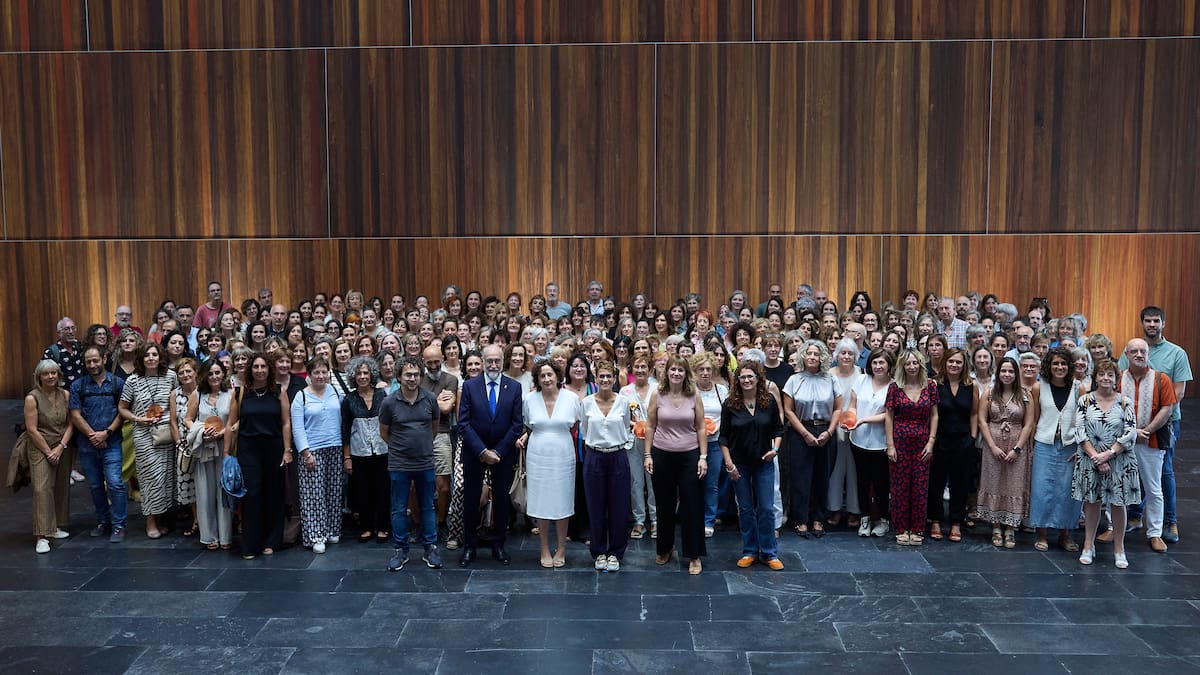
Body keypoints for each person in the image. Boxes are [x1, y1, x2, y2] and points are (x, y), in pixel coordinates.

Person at [1119, 307, 1191, 544]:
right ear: (1142, 323)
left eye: (1156, 320)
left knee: (1163, 473)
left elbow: (1177, 393)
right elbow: (1121, 382)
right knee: (1134, 472)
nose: (1152, 324)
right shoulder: (1131, 348)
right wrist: (1132, 427)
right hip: (1132, 427)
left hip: (1164, 423)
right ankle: (1136, 516)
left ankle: (1169, 521)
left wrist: (1150, 424)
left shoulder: (1176, 353)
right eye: (1148, 321)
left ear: (1163, 323)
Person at [457, 344, 525, 566]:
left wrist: (497, 451)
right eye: (489, 361)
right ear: (483, 361)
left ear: (502, 361)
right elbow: (464, 423)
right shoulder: (469, 386)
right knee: (471, 498)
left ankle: (499, 545)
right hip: (475, 452)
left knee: (502, 500)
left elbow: (516, 424)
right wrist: (482, 451)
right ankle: (469, 546)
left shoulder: (514, 387)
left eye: (497, 360)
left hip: (502, 453)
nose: (493, 365)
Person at [225, 353, 293, 559]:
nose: (260, 370)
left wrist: (287, 450)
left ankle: (271, 541)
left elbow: (285, 422)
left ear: (269, 369)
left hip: (274, 449)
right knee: (251, 496)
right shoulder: (240, 393)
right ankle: (250, 544)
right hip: (249, 450)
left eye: (263, 366)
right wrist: (226, 454)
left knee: (274, 495)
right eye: (256, 366)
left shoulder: (279, 392)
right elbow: (230, 424)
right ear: (250, 369)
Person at [1074, 359, 1139, 568]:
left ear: (1115, 379)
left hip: (1118, 461)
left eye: (1110, 374)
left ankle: (1119, 549)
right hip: (1089, 459)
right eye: (1101, 374)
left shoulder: (1125, 402)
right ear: (1095, 377)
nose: (1105, 378)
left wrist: (1108, 454)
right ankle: (1087, 545)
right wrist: (1096, 456)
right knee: (1092, 502)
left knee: (1118, 504)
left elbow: (1130, 433)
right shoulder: (1084, 400)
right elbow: (1079, 431)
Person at [379, 357, 443, 571]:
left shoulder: (430, 399)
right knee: (399, 508)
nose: (412, 378)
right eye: (408, 374)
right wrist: (402, 448)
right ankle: (400, 549)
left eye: (416, 374)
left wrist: (420, 445)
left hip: (425, 462)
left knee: (427, 506)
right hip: (399, 463)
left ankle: (430, 548)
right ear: (399, 377)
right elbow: (384, 432)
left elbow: (434, 427)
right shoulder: (389, 402)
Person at [646, 355, 708, 574]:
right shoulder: (657, 394)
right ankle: (665, 548)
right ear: (667, 372)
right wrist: (647, 455)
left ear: (686, 373)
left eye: (680, 370)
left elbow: (701, 427)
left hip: (690, 455)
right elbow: (650, 425)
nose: (676, 373)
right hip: (661, 455)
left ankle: (694, 555)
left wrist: (703, 456)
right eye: (672, 369)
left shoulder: (694, 395)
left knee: (692, 505)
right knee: (664, 504)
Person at [721, 361, 785, 569]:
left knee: (766, 508)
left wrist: (774, 450)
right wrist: (729, 465)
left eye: (751, 376)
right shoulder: (730, 404)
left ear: (758, 379)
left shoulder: (769, 402)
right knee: (746, 509)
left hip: (763, 463)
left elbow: (778, 430)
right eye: (743, 377)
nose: (747, 380)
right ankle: (750, 550)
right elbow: (723, 438)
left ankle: (769, 552)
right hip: (739, 464)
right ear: (737, 380)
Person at [517, 362, 582, 567]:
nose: (547, 379)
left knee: (562, 501)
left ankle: (561, 548)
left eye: (550, 375)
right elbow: (528, 424)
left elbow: (576, 425)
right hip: (538, 455)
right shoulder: (529, 399)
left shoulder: (571, 398)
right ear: (537, 379)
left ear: (558, 376)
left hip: (563, 453)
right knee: (542, 502)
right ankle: (544, 548)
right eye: (542, 376)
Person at [1120, 338, 1177, 553]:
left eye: (1142, 351)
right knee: (1117, 486)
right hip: (1123, 441)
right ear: (1126, 355)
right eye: (1134, 351)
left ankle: (1154, 533)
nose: (1139, 354)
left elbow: (1167, 408)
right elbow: (1111, 406)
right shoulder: (1118, 378)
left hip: (1150, 441)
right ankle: (1112, 526)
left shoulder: (1160, 379)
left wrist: (1148, 430)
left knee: (1154, 488)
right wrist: (1131, 432)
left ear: (1148, 354)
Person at [782, 340, 842, 538]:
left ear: (822, 357)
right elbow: (788, 411)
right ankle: (801, 519)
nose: (812, 357)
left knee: (822, 477)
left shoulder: (831, 379)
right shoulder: (794, 380)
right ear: (803, 356)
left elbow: (838, 409)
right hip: (801, 432)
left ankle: (818, 518)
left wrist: (830, 432)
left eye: (816, 354)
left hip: (826, 431)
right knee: (801, 478)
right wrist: (805, 434)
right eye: (809, 354)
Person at [118, 342, 178, 538]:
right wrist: (138, 419)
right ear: (141, 359)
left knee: (165, 479)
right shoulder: (132, 380)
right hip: (143, 434)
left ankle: (159, 519)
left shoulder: (171, 377)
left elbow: (178, 403)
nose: (151, 358)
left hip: (166, 434)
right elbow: (122, 408)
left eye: (154, 354)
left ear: (160, 357)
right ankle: (150, 521)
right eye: (147, 355)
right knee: (150, 478)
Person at [69, 346, 128, 543]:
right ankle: (103, 521)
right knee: (95, 486)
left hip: (111, 442)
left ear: (104, 359)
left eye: (95, 360)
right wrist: (93, 435)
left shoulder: (118, 383)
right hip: (87, 445)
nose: (92, 365)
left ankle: (119, 525)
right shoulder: (78, 386)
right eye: (88, 362)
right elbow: (75, 415)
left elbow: (123, 412)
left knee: (115, 484)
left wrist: (106, 433)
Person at [1029, 347, 1085, 552]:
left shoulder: (1079, 388)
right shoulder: (1038, 387)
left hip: (1070, 445)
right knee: (1042, 489)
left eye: (1063, 363)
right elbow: (1034, 419)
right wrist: (1031, 446)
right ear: (1048, 366)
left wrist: (1082, 448)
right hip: (1044, 443)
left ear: (1069, 366)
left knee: (1067, 491)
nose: (1059, 367)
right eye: (1055, 363)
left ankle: (1065, 534)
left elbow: (1083, 422)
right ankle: (1042, 533)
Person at [580, 360, 634, 572]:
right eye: (601, 376)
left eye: (608, 376)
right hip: (594, 456)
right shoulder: (586, 403)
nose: (604, 380)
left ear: (614, 379)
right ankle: (599, 551)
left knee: (619, 507)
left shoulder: (622, 401)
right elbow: (584, 428)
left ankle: (616, 552)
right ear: (595, 378)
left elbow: (626, 428)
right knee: (595, 506)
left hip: (617, 456)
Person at [977, 358, 1035, 549]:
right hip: (993, 443)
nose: (1007, 375)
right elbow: (982, 420)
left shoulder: (1025, 395)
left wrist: (1018, 448)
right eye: (1004, 371)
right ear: (998, 372)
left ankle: (1010, 527)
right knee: (993, 481)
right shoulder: (989, 393)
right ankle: (995, 525)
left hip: (1016, 443)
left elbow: (1029, 423)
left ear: (1016, 374)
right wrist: (992, 446)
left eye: (1011, 371)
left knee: (1014, 483)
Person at [885, 350, 939, 545]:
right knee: (899, 486)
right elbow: (889, 416)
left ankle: (917, 528)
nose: (912, 367)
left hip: (923, 441)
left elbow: (934, 415)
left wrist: (931, 441)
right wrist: (890, 445)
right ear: (902, 366)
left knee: (920, 487)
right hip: (900, 441)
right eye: (908, 364)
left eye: (915, 363)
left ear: (921, 364)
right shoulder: (895, 387)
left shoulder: (930, 386)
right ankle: (901, 528)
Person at [291, 358, 345, 554]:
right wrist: (306, 452)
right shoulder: (301, 396)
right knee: (313, 495)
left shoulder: (335, 392)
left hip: (335, 447)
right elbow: (297, 428)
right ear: (309, 375)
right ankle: (316, 535)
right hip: (312, 450)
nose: (321, 376)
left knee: (333, 492)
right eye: (317, 373)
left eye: (324, 372)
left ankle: (331, 530)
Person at [926, 348, 976, 543]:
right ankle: (936, 519)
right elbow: (932, 414)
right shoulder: (934, 384)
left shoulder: (971, 385)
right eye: (951, 361)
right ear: (945, 362)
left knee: (960, 482)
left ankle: (956, 521)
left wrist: (972, 437)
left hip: (963, 440)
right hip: (940, 439)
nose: (954, 365)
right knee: (936, 482)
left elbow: (973, 413)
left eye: (958, 362)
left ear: (964, 365)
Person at [24, 360, 75, 553]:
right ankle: (41, 536)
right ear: (39, 377)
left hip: (62, 444)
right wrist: (48, 451)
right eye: (46, 374)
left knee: (61, 485)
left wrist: (61, 447)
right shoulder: (32, 398)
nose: (51, 376)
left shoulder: (65, 395)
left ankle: (55, 527)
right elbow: (31, 429)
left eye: (54, 373)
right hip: (40, 446)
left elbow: (71, 423)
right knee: (42, 488)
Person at [185, 359, 234, 550]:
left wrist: (221, 434)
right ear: (205, 375)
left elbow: (233, 421)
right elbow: (188, 419)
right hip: (203, 447)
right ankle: (209, 536)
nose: (214, 377)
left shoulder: (230, 394)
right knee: (204, 493)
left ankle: (226, 536)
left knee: (223, 491)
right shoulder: (197, 394)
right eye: (210, 373)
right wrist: (201, 431)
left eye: (217, 372)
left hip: (223, 447)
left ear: (223, 374)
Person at [342, 355, 390, 543]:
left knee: (383, 490)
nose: (362, 376)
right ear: (353, 376)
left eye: (366, 373)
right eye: (359, 373)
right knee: (363, 491)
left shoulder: (382, 395)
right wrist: (347, 458)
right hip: (358, 452)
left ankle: (383, 527)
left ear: (372, 374)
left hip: (382, 450)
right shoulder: (348, 399)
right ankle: (366, 527)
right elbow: (345, 430)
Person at [849, 349, 894, 537]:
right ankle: (865, 519)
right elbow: (852, 405)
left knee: (882, 483)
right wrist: (850, 419)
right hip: (858, 440)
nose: (878, 366)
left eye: (882, 363)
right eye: (875, 362)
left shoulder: (894, 385)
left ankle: (883, 520)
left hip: (881, 442)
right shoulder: (861, 380)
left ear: (889, 365)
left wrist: (865, 420)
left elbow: (890, 414)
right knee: (861, 481)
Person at [419, 345, 460, 532]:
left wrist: (424, 401)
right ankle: (419, 523)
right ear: (423, 361)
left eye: (437, 361)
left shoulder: (451, 379)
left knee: (443, 486)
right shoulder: (417, 379)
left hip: (441, 433)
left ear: (442, 358)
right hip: (418, 434)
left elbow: (446, 409)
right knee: (415, 484)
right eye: (429, 362)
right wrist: (436, 399)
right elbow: (414, 405)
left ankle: (441, 521)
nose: (433, 366)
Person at [692, 351, 730, 537]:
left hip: (715, 442)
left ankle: (709, 519)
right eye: (701, 369)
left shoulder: (721, 390)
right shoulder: (689, 390)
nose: (705, 372)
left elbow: (728, 416)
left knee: (712, 483)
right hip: (691, 443)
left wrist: (717, 427)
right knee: (692, 482)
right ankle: (692, 517)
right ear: (695, 371)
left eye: (708, 369)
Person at [620, 355, 658, 540]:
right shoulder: (625, 392)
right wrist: (632, 423)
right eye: (637, 367)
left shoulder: (658, 389)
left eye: (644, 366)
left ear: (650, 370)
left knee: (653, 480)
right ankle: (639, 520)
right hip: (632, 440)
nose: (640, 370)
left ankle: (656, 519)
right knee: (636, 481)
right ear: (631, 370)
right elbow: (620, 416)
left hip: (656, 439)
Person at [828, 339, 862, 529]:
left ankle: (853, 510)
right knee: (835, 469)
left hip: (855, 426)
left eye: (850, 353)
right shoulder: (830, 374)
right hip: (833, 427)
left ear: (855, 356)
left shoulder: (861, 374)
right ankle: (833, 508)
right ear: (837, 355)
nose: (846, 356)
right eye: (843, 353)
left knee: (854, 470)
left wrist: (851, 420)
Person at [168, 358, 201, 536]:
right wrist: (178, 442)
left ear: (196, 372)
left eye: (189, 371)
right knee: (190, 484)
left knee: (204, 483)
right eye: (181, 373)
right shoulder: (175, 394)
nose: (185, 375)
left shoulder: (203, 391)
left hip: (204, 444)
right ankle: (196, 520)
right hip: (184, 446)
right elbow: (173, 422)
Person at [44, 317, 85, 388]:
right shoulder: (51, 352)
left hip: (81, 393)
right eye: (67, 329)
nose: (71, 331)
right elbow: (43, 374)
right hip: (62, 394)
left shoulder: (80, 347)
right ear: (59, 333)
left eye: (73, 328)